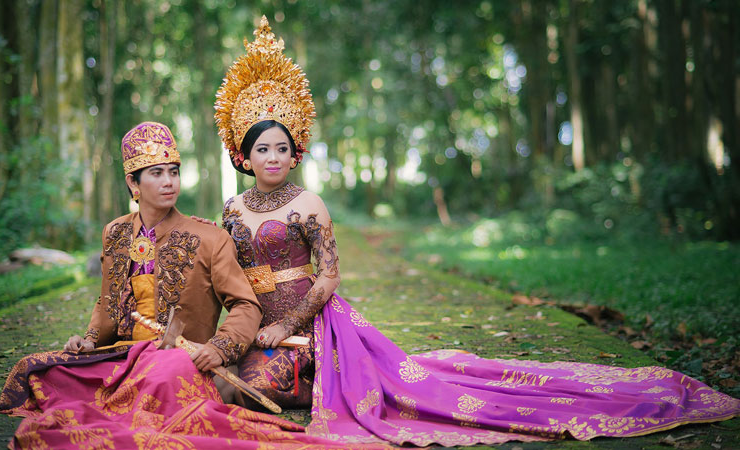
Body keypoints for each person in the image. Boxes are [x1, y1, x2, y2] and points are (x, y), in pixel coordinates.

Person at [211, 16, 740, 447]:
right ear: (244, 154)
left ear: (295, 149)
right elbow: (221, 274)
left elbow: (329, 277)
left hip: (312, 334)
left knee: (248, 392)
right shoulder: (232, 209)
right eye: (263, 148)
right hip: (251, 327)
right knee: (212, 382)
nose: (274, 157)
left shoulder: (309, 204)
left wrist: (287, 327)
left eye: (282, 147)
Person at [0, 122, 360, 449]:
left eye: (174, 172)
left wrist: (221, 347)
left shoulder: (210, 236)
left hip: (184, 356)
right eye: (157, 173)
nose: (169, 181)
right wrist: (90, 339)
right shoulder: (117, 232)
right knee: (39, 368)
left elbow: (247, 304)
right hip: (124, 354)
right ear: (132, 183)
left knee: (163, 376)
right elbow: (107, 302)